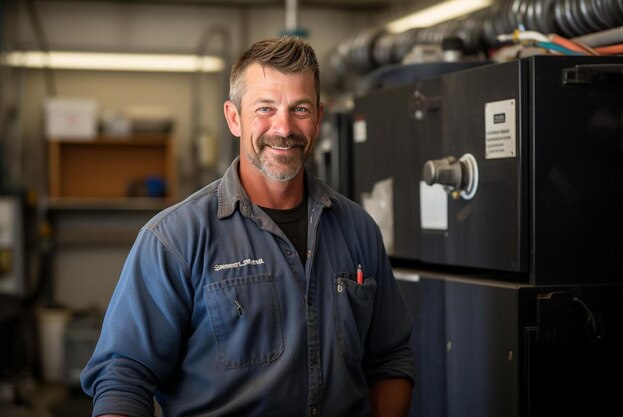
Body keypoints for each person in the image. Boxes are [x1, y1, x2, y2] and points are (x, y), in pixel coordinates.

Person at [81, 36, 415, 417]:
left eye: (300, 109)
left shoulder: (358, 230)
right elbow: (123, 377)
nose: (284, 126)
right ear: (234, 118)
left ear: (319, 117)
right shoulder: (175, 239)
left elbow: (390, 359)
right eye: (265, 108)